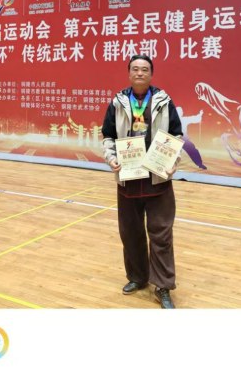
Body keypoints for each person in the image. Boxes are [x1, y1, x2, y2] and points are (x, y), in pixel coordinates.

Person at [101, 54, 182, 309]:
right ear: (129, 73)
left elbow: (176, 135)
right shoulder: (118, 102)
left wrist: (172, 161)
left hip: (157, 178)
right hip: (129, 178)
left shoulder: (163, 101)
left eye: (144, 69)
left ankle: (163, 286)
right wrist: (112, 159)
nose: (139, 73)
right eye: (135, 69)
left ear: (151, 74)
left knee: (161, 234)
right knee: (131, 233)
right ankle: (137, 277)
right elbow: (108, 136)